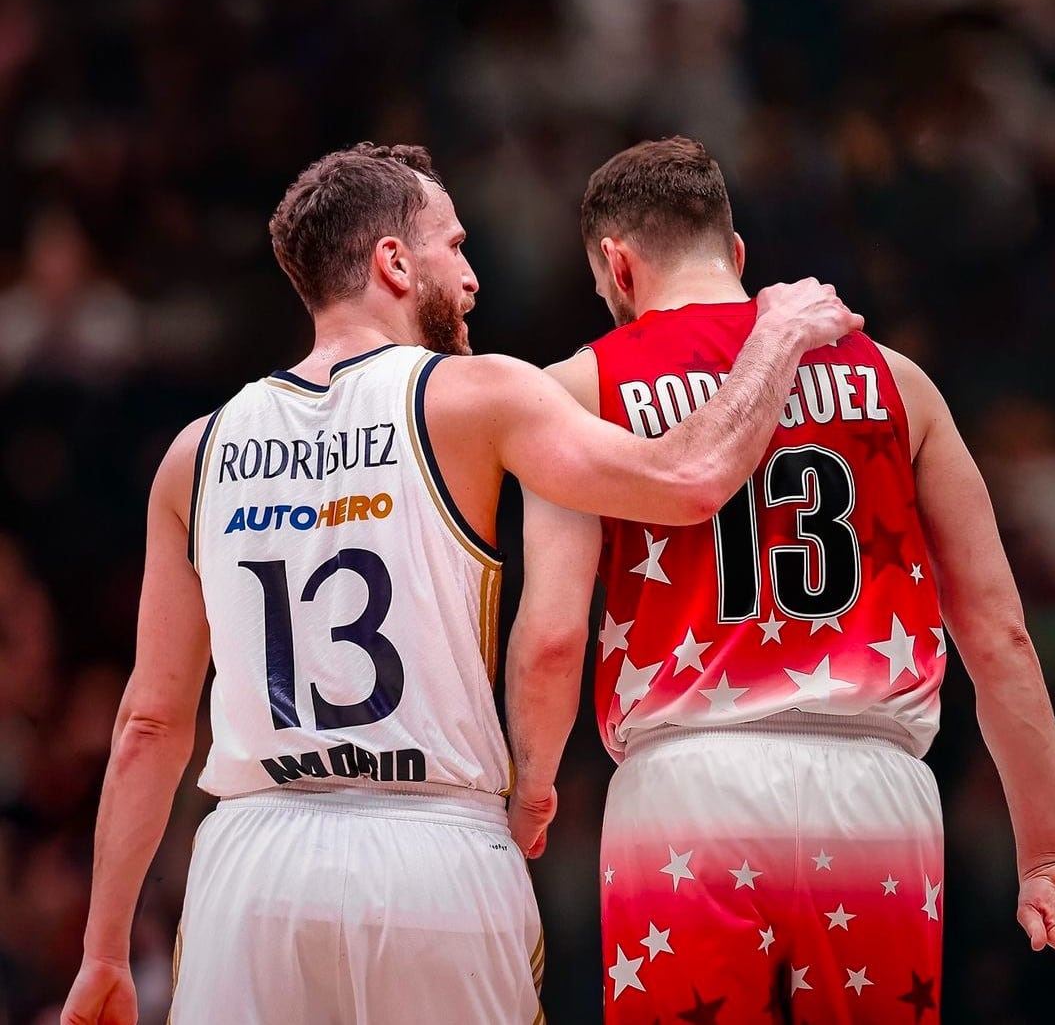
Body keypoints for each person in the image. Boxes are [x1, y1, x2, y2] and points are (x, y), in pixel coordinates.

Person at [59, 142, 861, 1025]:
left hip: (251, 868)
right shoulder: (477, 398)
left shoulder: (196, 453)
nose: (473, 277)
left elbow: (148, 724)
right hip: (430, 852)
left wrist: (103, 950)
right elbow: (689, 478)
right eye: (456, 245)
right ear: (394, 263)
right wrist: (774, 335)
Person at [505, 136, 1055, 1024]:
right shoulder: (898, 381)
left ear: (617, 265)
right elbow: (1001, 638)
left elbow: (553, 637)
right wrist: (1044, 857)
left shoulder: (578, 391)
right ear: (734, 254)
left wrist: (531, 787)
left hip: (686, 797)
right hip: (873, 795)